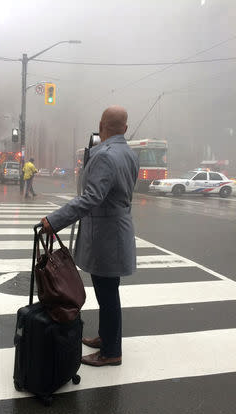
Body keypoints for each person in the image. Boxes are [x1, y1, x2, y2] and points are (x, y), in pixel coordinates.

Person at [41, 105, 139, 367]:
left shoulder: (105, 155)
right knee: (108, 292)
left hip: (106, 237)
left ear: (101, 125)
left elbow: (90, 198)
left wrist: (54, 221)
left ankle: (111, 351)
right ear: (125, 129)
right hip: (116, 232)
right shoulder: (129, 153)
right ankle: (106, 338)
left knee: (107, 295)